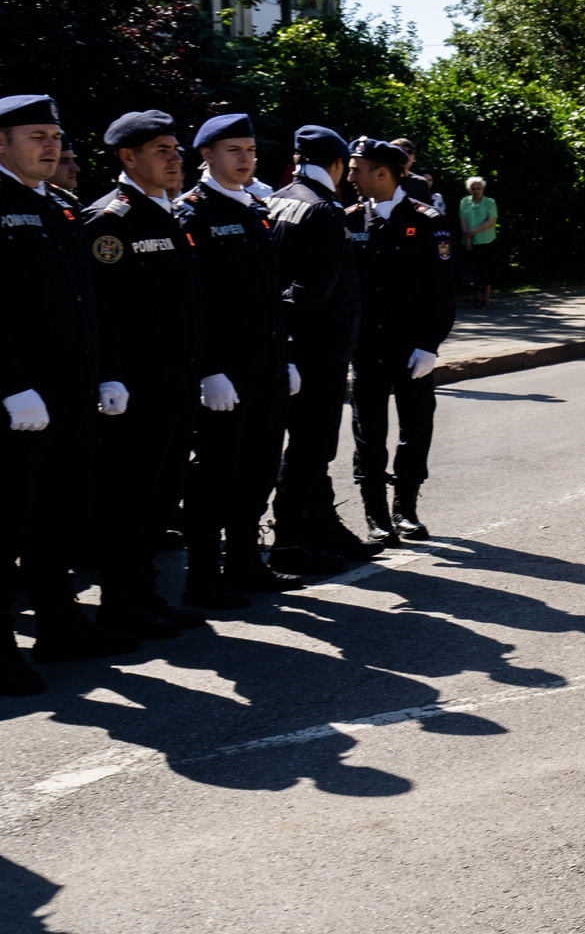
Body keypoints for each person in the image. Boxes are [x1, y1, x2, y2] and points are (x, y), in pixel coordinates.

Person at [0, 94, 126, 684]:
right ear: (1, 144)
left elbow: (86, 303)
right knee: (8, 523)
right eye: (36, 136)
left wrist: (105, 370)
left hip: (71, 396)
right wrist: (10, 386)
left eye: (54, 135)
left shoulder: (62, 208)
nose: (51, 146)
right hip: (17, 403)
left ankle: (58, 621)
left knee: (61, 515)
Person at [81, 111, 213, 640]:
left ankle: (146, 595)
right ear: (128, 158)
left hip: (176, 386)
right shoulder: (112, 220)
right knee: (129, 503)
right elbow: (103, 312)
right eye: (161, 149)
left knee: (159, 503)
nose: (174, 157)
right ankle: (121, 604)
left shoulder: (170, 214)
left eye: (175, 148)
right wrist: (110, 377)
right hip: (136, 392)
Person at [178, 114, 301, 606]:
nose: (246, 158)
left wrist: (284, 358)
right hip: (224, 376)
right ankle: (203, 577)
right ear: (207, 156)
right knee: (215, 477)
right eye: (234, 149)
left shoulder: (255, 208)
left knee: (258, 471)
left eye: (250, 149)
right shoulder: (192, 213)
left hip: (265, 368)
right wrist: (207, 369)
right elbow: (193, 303)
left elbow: (269, 295)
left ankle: (247, 562)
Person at [267, 124, 380, 571]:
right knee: (311, 447)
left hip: (289, 347)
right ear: (335, 165)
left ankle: (322, 525)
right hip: (318, 347)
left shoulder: (277, 199)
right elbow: (313, 289)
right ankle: (291, 541)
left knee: (304, 446)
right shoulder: (325, 210)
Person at [346, 137, 455, 543]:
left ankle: (405, 507)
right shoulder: (350, 219)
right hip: (366, 349)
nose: (350, 176)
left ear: (383, 173)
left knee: (415, 428)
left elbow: (442, 293)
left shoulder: (427, 220)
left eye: (358, 169)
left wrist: (430, 345)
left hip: (412, 349)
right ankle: (375, 514)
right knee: (368, 432)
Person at [457, 175, 501, 308]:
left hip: (486, 240)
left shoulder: (490, 202)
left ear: (483, 189)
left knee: (487, 270)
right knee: (474, 270)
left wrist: (473, 231)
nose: (476, 191)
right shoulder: (464, 202)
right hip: (469, 242)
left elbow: (491, 221)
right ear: (469, 189)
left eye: (479, 188)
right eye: (473, 189)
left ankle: (486, 299)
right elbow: (462, 220)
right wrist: (468, 238)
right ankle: (477, 298)